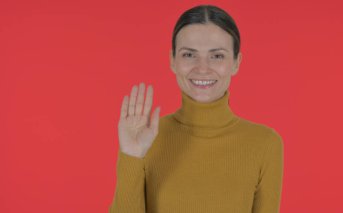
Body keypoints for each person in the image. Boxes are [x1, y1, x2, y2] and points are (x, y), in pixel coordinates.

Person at [109, 4, 284, 213]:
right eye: (189, 55)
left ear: (236, 62)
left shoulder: (265, 143)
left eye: (217, 56)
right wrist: (131, 155)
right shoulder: (146, 137)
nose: (202, 68)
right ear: (172, 60)